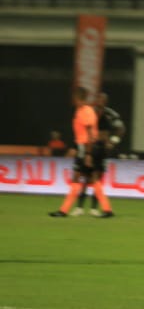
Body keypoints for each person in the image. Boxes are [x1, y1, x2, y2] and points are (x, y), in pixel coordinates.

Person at [49, 88, 113, 218]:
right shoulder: (83, 110)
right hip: (85, 147)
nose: (73, 100)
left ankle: (63, 211)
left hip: (87, 148)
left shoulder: (85, 111)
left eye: (74, 97)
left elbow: (89, 133)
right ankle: (107, 210)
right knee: (92, 178)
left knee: (78, 177)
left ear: (78, 98)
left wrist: (88, 154)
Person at [74, 91, 125, 217]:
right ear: (96, 100)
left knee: (98, 177)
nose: (100, 101)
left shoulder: (111, 115)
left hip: (102, 150)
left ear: (106, 101)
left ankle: (94, 208)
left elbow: (121, 129)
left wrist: (113, 142)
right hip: (90, 147)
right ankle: (79, 207)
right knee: (87, 178)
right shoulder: (89, 112)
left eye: (103, 99)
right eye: (98, 99)